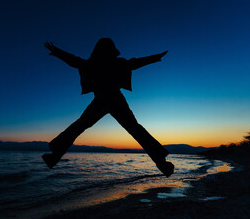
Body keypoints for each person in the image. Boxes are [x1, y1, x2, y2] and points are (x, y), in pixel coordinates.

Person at [42, 38, 174, 177]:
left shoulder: (95, 64)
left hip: (105, 100)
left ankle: (54, 156)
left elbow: (75, 61)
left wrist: (57, 52)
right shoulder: (114, 63)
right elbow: (135, 63)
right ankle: (162, 163)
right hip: (113, 99)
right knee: (134, 129)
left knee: (81, 125)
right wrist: (156, 57)